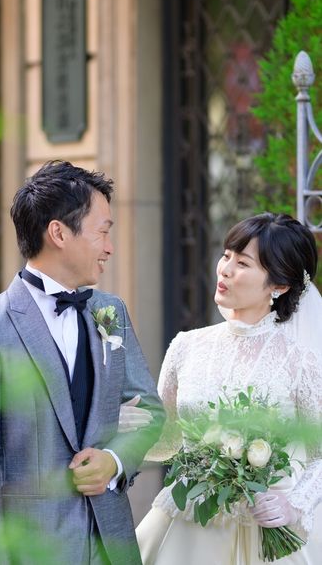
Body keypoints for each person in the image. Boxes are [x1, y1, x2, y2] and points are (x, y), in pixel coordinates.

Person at [0, 160, 165, 564]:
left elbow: (149, 411)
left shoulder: (111, 311)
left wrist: (114, 461)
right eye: (103, 231)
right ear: (59, 233)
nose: (109, 247)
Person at [129, 212, 322, 564]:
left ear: (279, 286)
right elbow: (168, 442)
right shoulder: (186, 346)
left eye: (243, 263)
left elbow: (319, 454)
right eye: (226, 255)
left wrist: (294, 505)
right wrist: (129, 427)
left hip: (265, 529)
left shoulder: (299, 363)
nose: (225, 269)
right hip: (189, 522)